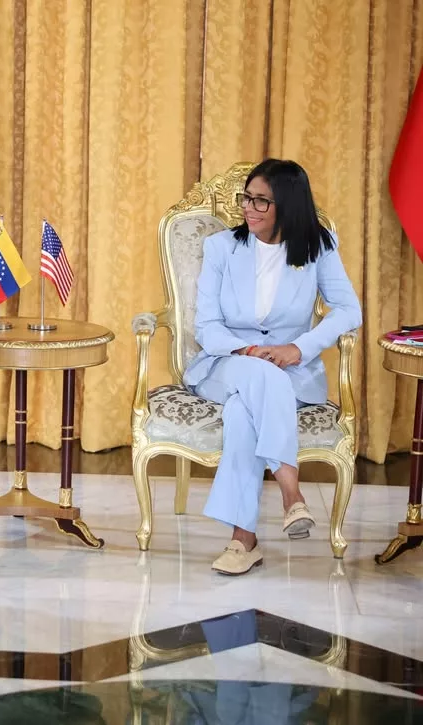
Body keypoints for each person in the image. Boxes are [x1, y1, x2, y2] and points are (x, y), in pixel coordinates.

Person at [184, 159, 362, 575]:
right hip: (226, 363)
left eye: (261, 201)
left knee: (242, 412)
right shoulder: (221, 248)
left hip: (291, 372)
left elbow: (349, 309)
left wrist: (299, 348)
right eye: (247, 198)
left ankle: (242, 541)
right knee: (260, 376)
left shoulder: (318, 245)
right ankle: (290, 493)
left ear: (289, 204)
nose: (249, 208)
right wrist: (248, 349)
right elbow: (207, 326)